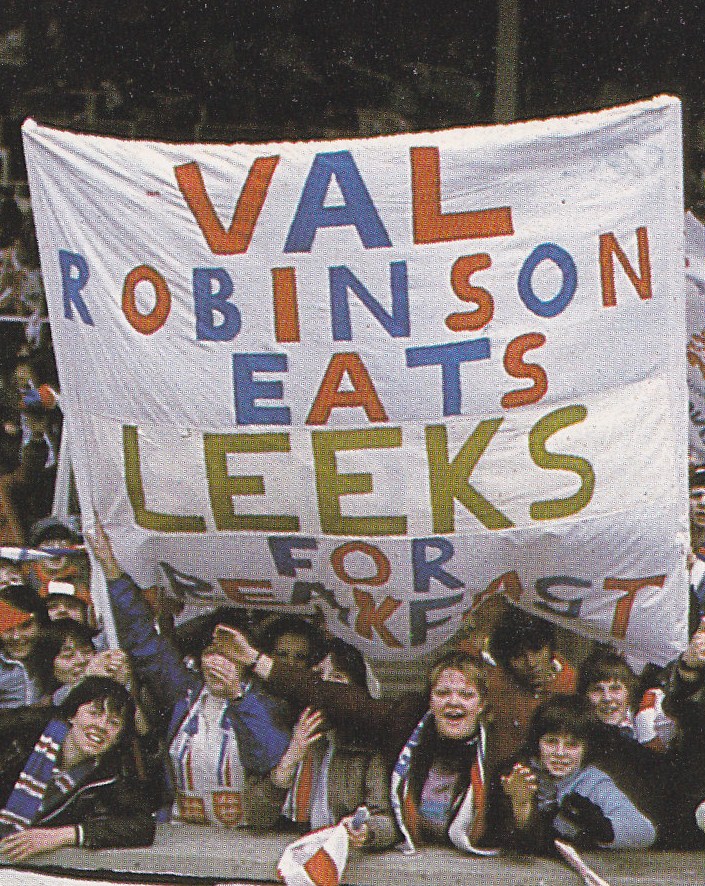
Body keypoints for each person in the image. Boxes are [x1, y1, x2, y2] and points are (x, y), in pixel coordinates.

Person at [87, 518, 291, 827]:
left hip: (244, 842)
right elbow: (142, 642)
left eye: (230, 654)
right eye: (212, 650)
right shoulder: (186, 691)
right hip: (184, 832)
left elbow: (269, 757)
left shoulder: (267, 698)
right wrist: (112, 569)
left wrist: (237, 695)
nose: (217, 660)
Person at [247, 636, 397, 851]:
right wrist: (289, 761)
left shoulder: (368, 749)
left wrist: (366, 831)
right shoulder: (281, 730)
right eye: (317, 678)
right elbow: (255, 816)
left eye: (336, 678)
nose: (324, 689)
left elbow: (388, 822)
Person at [0, 675, 155, 862]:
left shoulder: (109, 772)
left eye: (114, 723)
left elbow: (142, 825)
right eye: (94, 713)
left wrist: (60, 836)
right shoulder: (25, 730)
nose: (101, 726)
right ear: (72, 714)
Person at [485, 695, 656, 854]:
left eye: (572, 745)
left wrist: (603, 828)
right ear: (537, 743)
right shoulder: (515, 774)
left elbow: (646, 832)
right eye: (551, 742)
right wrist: (521, 805)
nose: (560, 753)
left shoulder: (592, 780)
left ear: (586, 749)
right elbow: (511, 843)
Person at [391, 651, 498, 855]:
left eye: (466, 695)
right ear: (430, 701)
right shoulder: (406, 746)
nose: (453, 702)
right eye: (442, 693)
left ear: (481, 704)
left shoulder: (495, 758)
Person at [0, 582, 53, 708]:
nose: (16, 636)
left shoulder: (56, 651)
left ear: (41, 624)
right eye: (7, 628)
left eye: (25, 626)